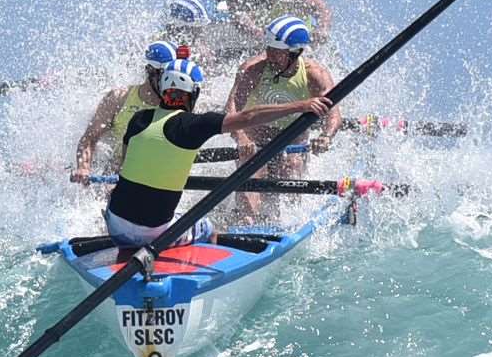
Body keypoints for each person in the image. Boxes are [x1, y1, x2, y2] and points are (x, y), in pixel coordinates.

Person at [103, 57, 332, 249]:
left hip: (115, 226)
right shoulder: (194, 125)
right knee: (210, 229)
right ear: (192, 93)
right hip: (154, 234)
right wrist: (301, 106)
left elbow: (125, 163)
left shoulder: (138, 119)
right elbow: (248, 117)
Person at [224, 15, 340, 216]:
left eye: (276, 52)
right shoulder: (253, 70)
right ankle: (245, 219)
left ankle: (289, 219)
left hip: (293, 136)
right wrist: (241, 136)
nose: (269, 55)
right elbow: (231, 109)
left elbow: (334, 114)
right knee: (250, 173)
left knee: (292, 166)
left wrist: (326, 137)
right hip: (255, 134)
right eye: (268, 48)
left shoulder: (315, 74)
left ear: (295, 53)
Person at [71, 41, 175, 183]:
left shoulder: (178, 103)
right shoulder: (118, 98)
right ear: (150, 71)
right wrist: (84, 168)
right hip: (117, 172)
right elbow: (89, 138)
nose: (172, 84)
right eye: (167, 76)